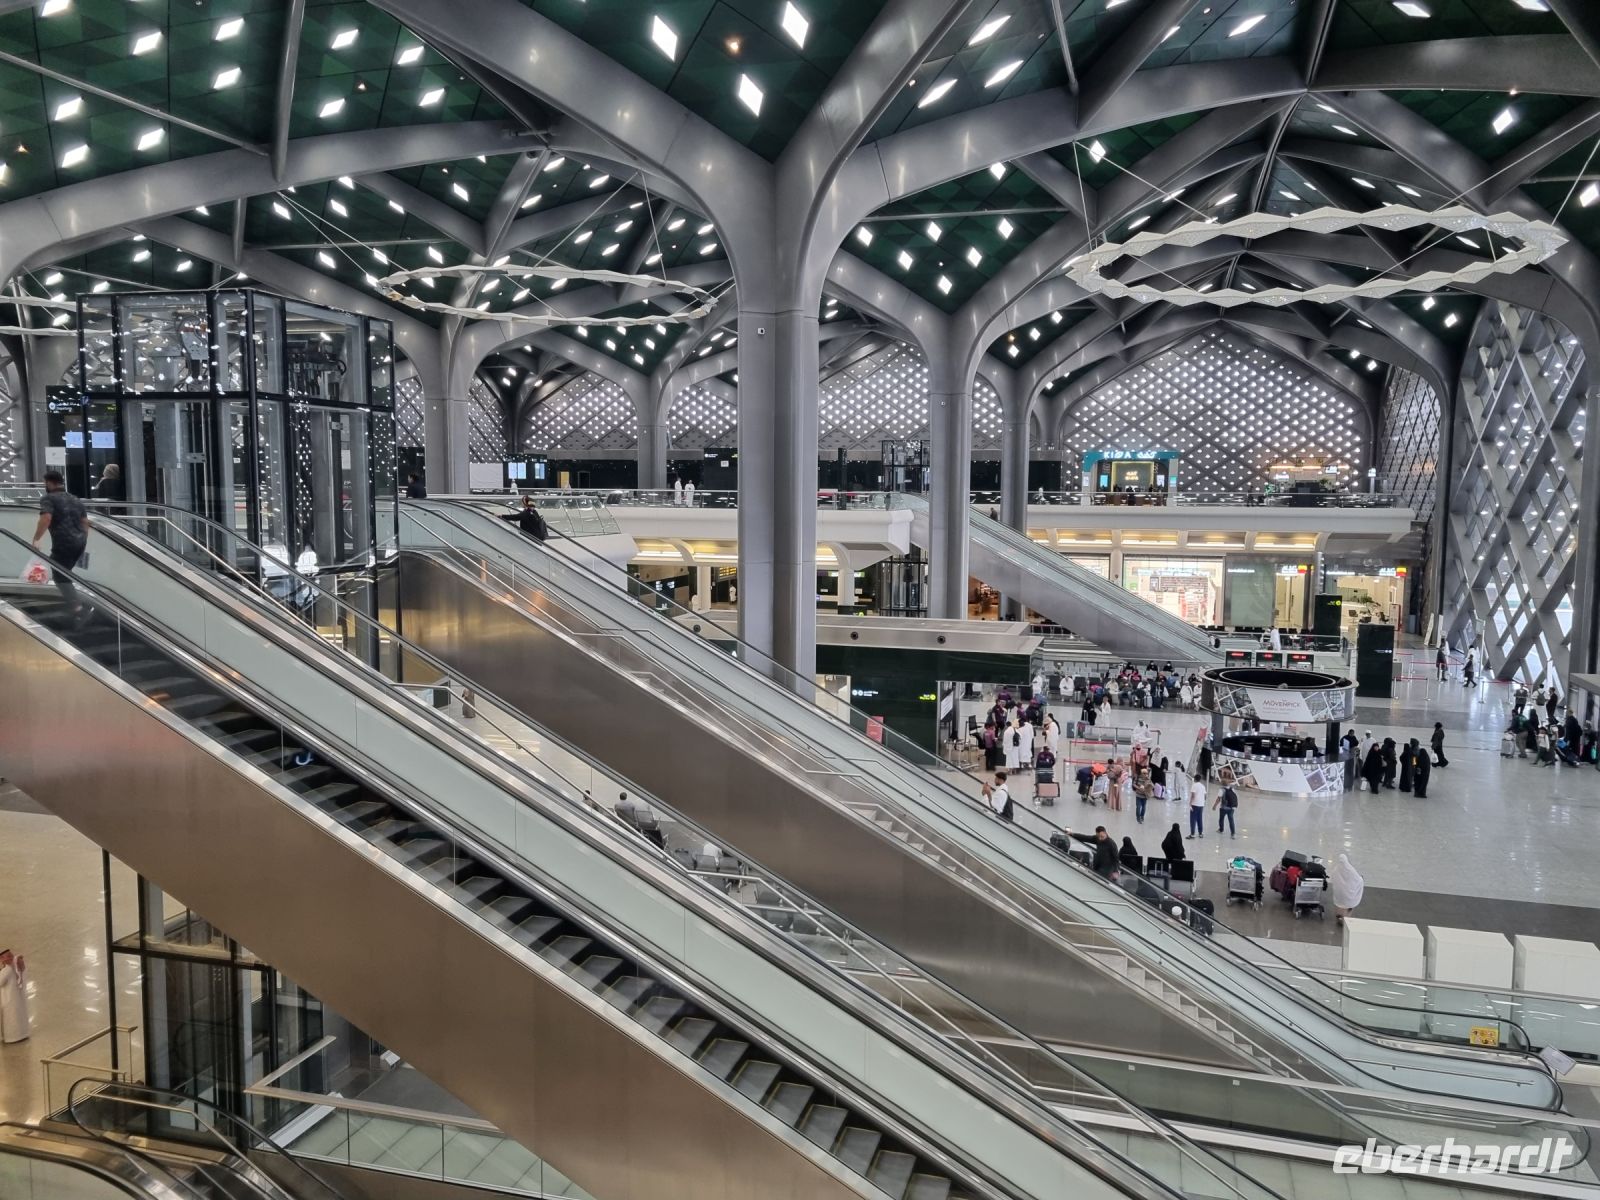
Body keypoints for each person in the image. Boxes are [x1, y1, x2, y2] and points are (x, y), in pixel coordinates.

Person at [32, 470, 92, 615]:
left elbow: (46, 518)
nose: (44, 486)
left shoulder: (48, 498)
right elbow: (85, 522)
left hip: (63, 543)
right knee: (65, 573)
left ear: (50, 483)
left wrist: (36, 538)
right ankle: (74, 605)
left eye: (45, 483)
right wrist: (83, 539)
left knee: (60, 576)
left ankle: (77, 609)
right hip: (79, 542)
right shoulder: (75, 498)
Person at [0, 949, 28, 1044]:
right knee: (17, 1016)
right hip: (15, 997)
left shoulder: (6, 970)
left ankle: (13, 1036)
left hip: (9, 999)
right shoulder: (13, 968)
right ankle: (21, 1033)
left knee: (11, 1018)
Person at [1330, 854, 1364, 922]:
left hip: (1339, 896)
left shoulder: (1336, 870)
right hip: (1349, 898)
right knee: (1347, 910)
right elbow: (1358, 880)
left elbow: (1333, 878)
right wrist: (1361, 878)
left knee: (1339, 907)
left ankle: (1338, 917)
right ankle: (1345, 921)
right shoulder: (1351, 870)